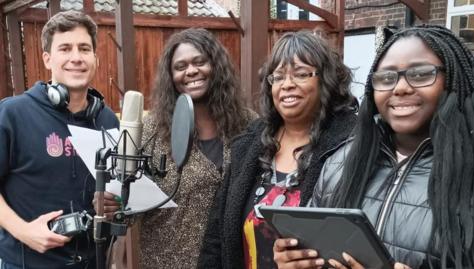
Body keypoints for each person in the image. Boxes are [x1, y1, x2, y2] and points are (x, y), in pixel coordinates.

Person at [273, 25, 474, 269]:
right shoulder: (340, 163)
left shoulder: (473, 172)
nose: (400, 87)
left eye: (421, 74)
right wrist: (294, 262)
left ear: (454, 80)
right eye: (386, 78)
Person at [198, 30, 358, 268]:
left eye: (301, 74)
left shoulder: (350, 147)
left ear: (326, 80)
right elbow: (217, 236)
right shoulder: (248, 146)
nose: (287, 85)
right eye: (279, 76)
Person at [102, 28, 255, 269]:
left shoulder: (247, 125)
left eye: (200, 62)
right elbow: (131, 207)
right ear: (170, 76)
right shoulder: (151, 130)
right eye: (180, 66)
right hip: (168, 260)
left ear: (216, 66)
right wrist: (115, 204)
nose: (191, 71)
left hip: (230, 261)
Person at [0, 10, 119, 269]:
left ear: (95, 59)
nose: (76, 57)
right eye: (65, 48)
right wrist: (23, 231)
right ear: (47, 59)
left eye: (84, 49)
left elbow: (115, 189)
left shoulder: (108, 121)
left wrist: (110, 201)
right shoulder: (13, 114)